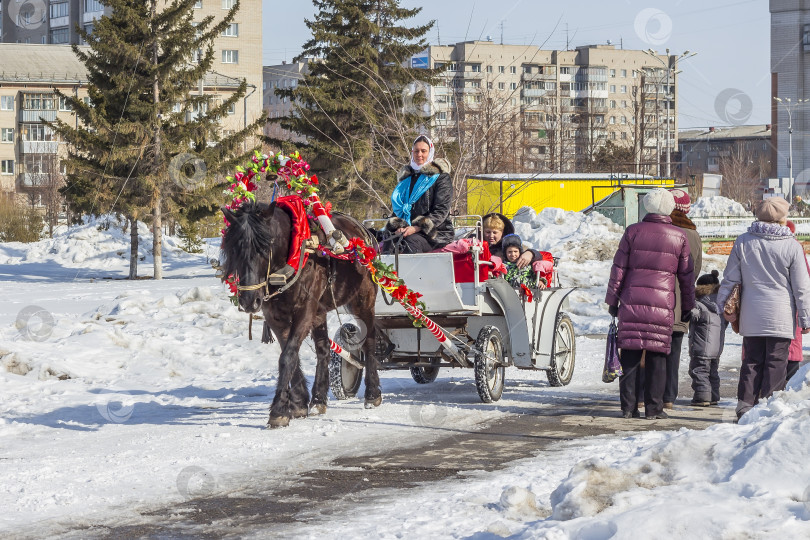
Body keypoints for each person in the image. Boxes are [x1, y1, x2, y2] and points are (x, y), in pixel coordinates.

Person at [605, 188, 696, 420]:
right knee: (657, 356)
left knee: (630, 354)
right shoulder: (679, 236)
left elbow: (619, 270)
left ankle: (628, 407)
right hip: (662, 304)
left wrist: (612, 301)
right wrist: (687, 306)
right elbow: (686, 277)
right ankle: (654, 409)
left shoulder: (632, 232)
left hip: (631, 301)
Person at [718, 197, 810, 420]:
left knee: (751, 361)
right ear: (782, 218)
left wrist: (720, 306)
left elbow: (729, 280)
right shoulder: (792, 246)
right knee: (776, 363)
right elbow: (802, 288)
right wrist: (805, 319)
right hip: (781, 317)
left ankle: (744, 407)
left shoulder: (743, 242)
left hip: (751, 315)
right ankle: (769, 409)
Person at [665, 189, 703, 409]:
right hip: (680, 302)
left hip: (654, 300)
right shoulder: (693, 234)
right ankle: (669, 396)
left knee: (651, 350)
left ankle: (647, 393)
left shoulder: (656, 228)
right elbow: (695, 270)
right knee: (674, 350)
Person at [384, 135, 453, 254]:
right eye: (416, 151)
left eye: (423, 151)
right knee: (387, 240)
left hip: (435, 233)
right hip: (408, 229)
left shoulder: (441, 178)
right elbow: (400, 209)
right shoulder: (407, 179)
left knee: (410, 242)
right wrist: (399, 226)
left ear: (430, 152)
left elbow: (441, 211)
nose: (419, 154)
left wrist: (416, 228)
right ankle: (386, 273)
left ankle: (411, 273)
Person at [688, 270, 728, 406]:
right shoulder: (721, 305)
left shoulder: (698, 304)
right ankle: (714, 396)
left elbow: (692, 315)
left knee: (699, 371)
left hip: (701, 346)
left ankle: (702, 397)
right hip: (717, 348)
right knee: (713, 373)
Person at [786, 220, 810, 382]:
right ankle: (786, 394)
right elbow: (804, 285)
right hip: (791, 310)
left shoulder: (750, 243)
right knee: (791, 350)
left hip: (758, 316)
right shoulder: (795, 248)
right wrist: (806, 319)